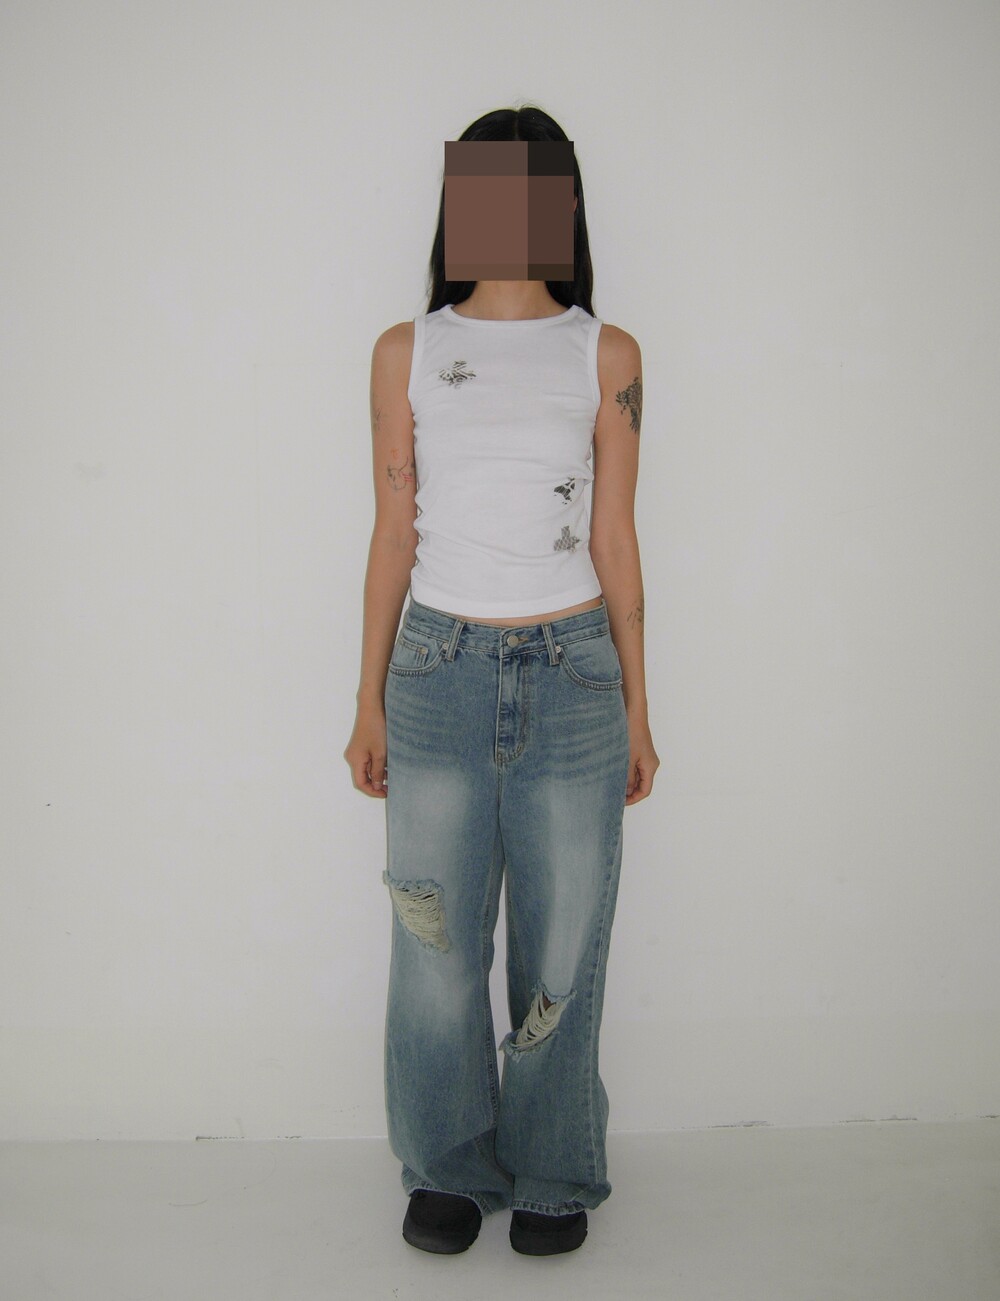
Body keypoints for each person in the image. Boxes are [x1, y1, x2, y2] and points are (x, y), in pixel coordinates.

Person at [344, 104, 660, 1258]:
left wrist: (638, 703)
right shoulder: (407, 350)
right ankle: (446, 1163)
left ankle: (553, 1170)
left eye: (536, 187)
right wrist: (367, 697)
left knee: (563, 944)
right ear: (459, 202)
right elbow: (393, 531)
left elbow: (614, 537)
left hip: (573, 673)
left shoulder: (604, 354)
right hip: (437, 670)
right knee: (434, 944)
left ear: (563, 205)